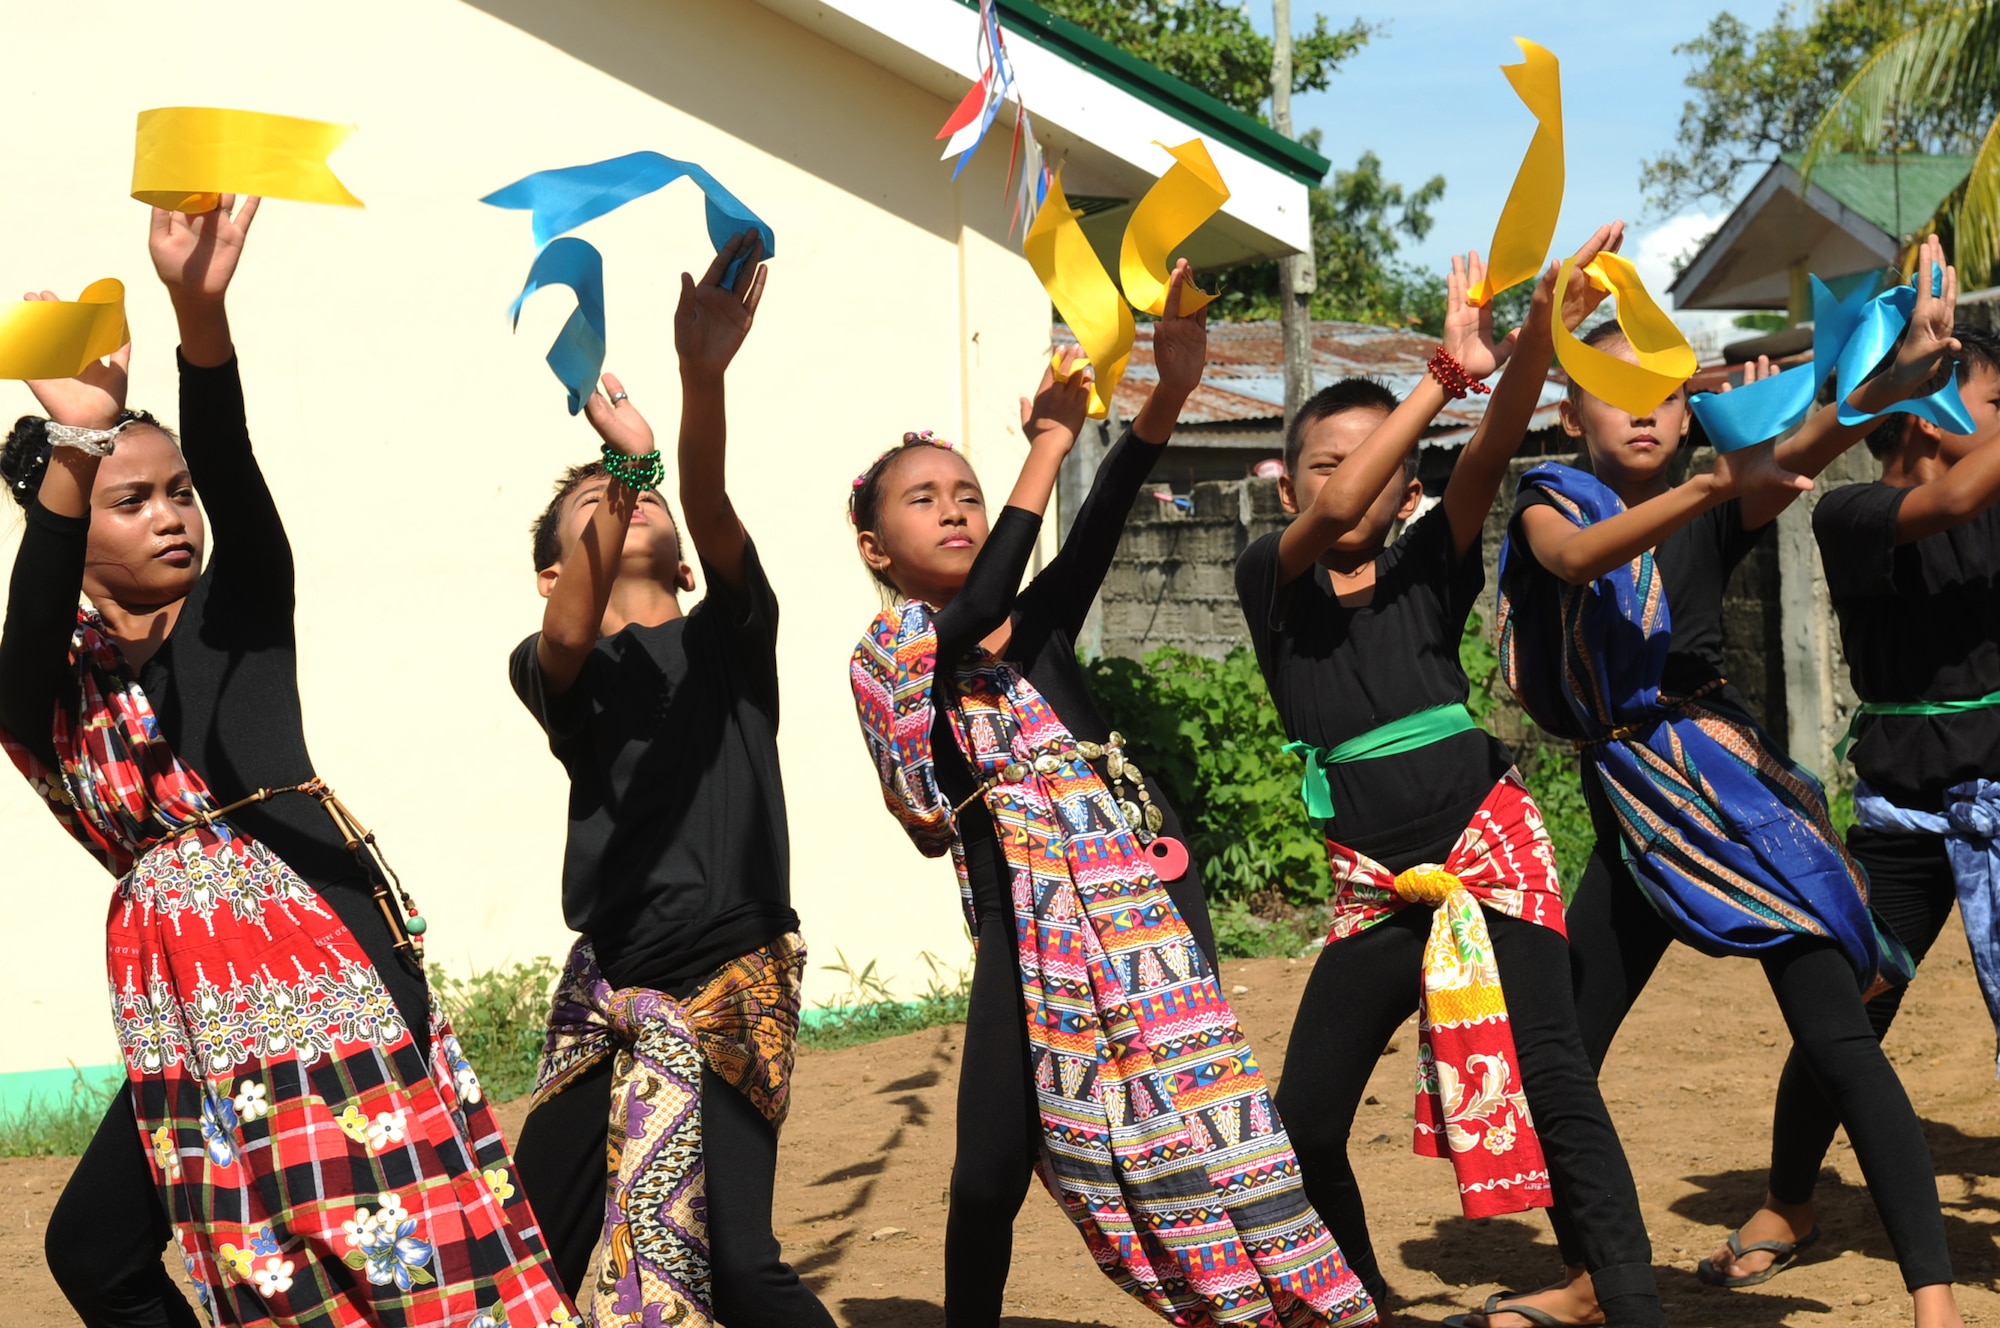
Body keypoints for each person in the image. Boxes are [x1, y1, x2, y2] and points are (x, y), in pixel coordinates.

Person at [0, 198, 571, 1327]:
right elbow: (24, 649)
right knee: (99, 1248)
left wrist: (197, 310)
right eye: (134, 498)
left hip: (326, 959)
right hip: (188, 1004)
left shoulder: (236, 615)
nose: (173, 513)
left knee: (391, 1265)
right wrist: (75, 441)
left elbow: (235, 473)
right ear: (70, 518)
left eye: (177, 493)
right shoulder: (50, 674)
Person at [848, 264, 1369, 1328]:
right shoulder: (894, 655)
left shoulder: (1029, 627)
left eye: (963, 492)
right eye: (924, 498)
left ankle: (1285, 1304)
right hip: (1025, 929)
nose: (953, 508)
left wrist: (1167, 392)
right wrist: (1047, 437)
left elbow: (1097, 519)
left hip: (1146, 893)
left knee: (1210, 1122)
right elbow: (984, 591)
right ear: (871, 548)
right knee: (989, 1163)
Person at [1494, 233, 1971, 1328]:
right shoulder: (1548, 501)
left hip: (1735, 807)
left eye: (1666, 391)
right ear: (1570, 415)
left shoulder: (1714, 496)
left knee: (1841, 1045)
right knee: (1554, 1052)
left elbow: (1804, 440)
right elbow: (1576, 562)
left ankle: (1934, 1303)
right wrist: (1717, 478)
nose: (1648, 410)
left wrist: (1894, 373)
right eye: (1616, 391)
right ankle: (1583, 1276)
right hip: (1633, 814)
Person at [1235, 229, 1663, 1328]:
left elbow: (1489, 444)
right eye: (1326, 459)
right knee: (1305, 1119)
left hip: (1485, 845)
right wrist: (1437, 377)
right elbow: (1331, 515)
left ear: (1408, 482)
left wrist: (1530, 336)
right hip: (1373, 882)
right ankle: (1363, 1302)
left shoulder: (1431, 557)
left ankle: (1621, 1295)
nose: (1348, 481)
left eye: (1372, 460)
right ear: (1289, 479)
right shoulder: (1268, 572)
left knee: (1551, 1072)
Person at [505, 232, 834, 1328]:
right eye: (596, 502)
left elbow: (703, 487)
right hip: (606, 991)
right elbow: (564, 630)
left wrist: (699, 382)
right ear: (557, 566)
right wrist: (626, 465)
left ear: (687, 561)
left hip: (729, 972)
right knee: (527, 1248)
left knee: (742, 1269)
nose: (628, 498)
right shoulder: (559, 668)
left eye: (640, 497)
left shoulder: (732, 636)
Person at [1701, 325, 2000, 1289]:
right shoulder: (1852, 512)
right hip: (1904, 811)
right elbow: (1951, 495)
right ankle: (1790, 1196)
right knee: (1849, 1011)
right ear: (1928, 411)